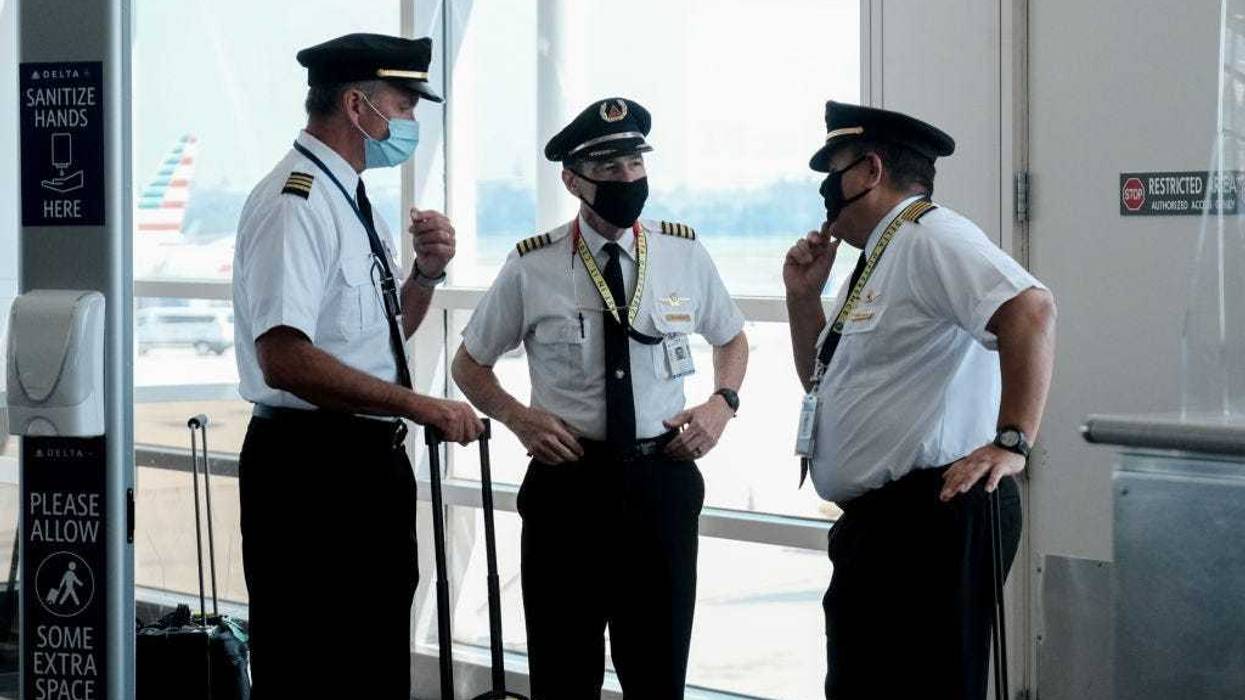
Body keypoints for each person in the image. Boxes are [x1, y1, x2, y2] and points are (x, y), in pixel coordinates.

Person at [452, 97, 749, 698]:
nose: (627, 180)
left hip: (661, 480)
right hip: (570, 488)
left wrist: (722, 403)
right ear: (572, 179)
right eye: (609, 169)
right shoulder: (532, 266)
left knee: (658, 674)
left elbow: (733, 339)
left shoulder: (682, 252)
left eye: (635, 165)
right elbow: (469, 363)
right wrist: (518, 418)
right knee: (564, 675)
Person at [231, 33, 482, 698]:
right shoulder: (298, 199)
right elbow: (283, 358)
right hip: (311, 468)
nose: (409, 126)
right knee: (315, 661)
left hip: (361, 463)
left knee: (370, 656)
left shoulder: (348, 197)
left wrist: (426, 276)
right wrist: (418, 403)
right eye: (403, 107)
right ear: (355, 105)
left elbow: (373, 339)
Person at [783, 101, 1057, 699]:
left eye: (835, 171)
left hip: (934, 516)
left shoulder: (931, 236)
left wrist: (1012, 442)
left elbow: (1030, 309)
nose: (827, 189)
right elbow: (820, 382)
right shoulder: (879, 258)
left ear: (871, 171)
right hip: (883, 527)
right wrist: (804, 300)